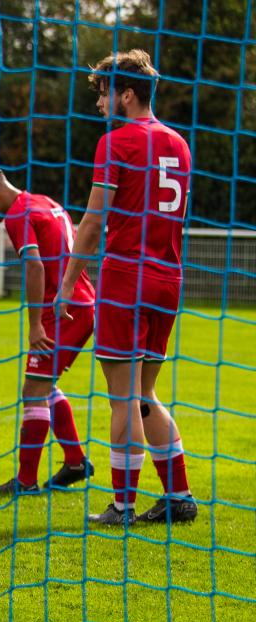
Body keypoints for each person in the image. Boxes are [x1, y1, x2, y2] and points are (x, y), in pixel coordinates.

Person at [59, 49, 196, 526]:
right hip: (168, 279)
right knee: (144, 395)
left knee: (122, 397)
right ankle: (179, 496)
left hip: (125, 277)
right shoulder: (179, 143)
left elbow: (94, 222)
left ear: (127, 95)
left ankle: (122, 505)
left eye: (103, 93)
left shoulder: (117, 143)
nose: (99, 103)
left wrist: (68, 282)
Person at [0, 173, 95, 497]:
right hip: (82, 302)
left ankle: (26, 479)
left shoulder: (17, 213)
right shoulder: (46, 202)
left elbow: (34, 266)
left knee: (33, 388)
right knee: (43, 384)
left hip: (62, 310)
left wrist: (35, 324)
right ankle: (76, 461)